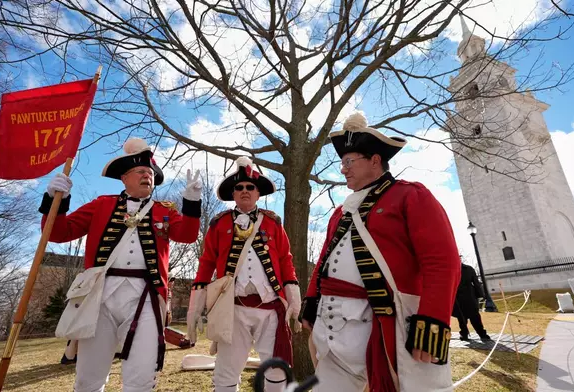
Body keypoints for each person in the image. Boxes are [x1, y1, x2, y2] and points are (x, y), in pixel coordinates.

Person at [300, 113, 461, 392]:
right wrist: (311, 302)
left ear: (375, 160)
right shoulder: (340, 213)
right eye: (342, 163)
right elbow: (324, 263)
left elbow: (442, 261)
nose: (343, 170)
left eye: (349, 162)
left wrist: (432, 320)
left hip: (389, 325)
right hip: (333, 326)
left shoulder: (411, 195)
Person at [41, 138, 202, 392]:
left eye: (150, 173)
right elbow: (59, 232)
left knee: (141, 378)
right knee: (87, 379)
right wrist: (55, 200)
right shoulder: (101, 205)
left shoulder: (164, 210)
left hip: (146, 297)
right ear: (124, 178)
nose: (146, 176)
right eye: (140, 172)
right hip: (99, 296)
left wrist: (192, 203)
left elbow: (188, 235)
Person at [186, 157, 301, 392]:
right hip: (233, 308)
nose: (245, 191)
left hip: (270, 307)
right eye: (239, 188)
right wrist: (195, 306)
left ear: (258, 193)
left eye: (250, 187)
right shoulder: (218, 224)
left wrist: (294, 298)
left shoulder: (273, 223)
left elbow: (285, 260)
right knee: (226, 369)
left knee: (276, 369)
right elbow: (206, 263)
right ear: (233, 194)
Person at [452, 262, 491, 341]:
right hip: (458, 298)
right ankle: (465, 334)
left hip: (469, 296)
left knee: (474, 317)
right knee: (462, 318)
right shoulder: (452, 269)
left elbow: (476, 282)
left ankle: (481, 334)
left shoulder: (469, 269)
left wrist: (480, 295)